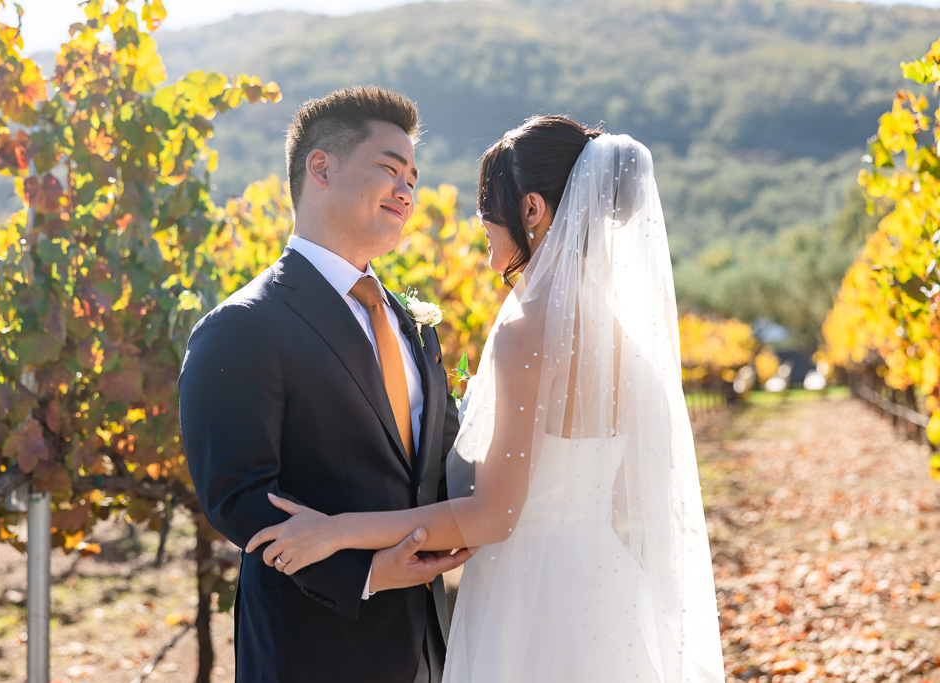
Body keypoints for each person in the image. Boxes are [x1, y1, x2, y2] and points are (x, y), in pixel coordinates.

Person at [248, 115, 726, 681]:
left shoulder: (528, 332)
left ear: (531, 211)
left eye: (488, 220)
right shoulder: (630, 345)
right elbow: (626, 497)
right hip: (609, 587)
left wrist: (335, 530)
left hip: (532, 594)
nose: (487, 245)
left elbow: (494, 515)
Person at [178, 85, 469, 683]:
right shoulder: (245, 325)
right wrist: (366, 572)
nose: (407, 189)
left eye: (413, 176)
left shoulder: (412, 324)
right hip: (312, 647)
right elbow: (236, 495)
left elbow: (440, 462)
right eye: (390, 168)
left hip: (425, 643)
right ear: (321, 168)